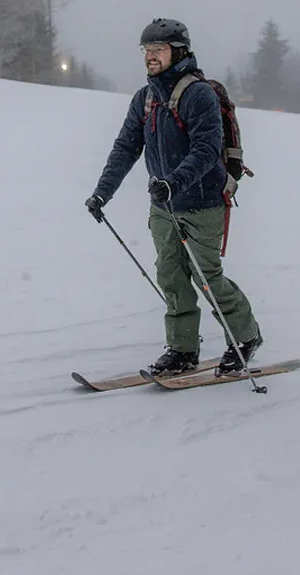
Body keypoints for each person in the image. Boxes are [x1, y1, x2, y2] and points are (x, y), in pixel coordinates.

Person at [86, 19, 263, 377]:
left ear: (178, 52)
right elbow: (125, 148)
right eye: (146, 50)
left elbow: (206, 148)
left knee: (207, 277)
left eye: (158, 50)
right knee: (171, 276)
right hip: (164, 206)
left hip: (202, 202)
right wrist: (102, 192)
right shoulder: (146, 98)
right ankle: (182, 349)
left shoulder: (199, 95)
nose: (150, 57)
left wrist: (173, 181)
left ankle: (245, 337)